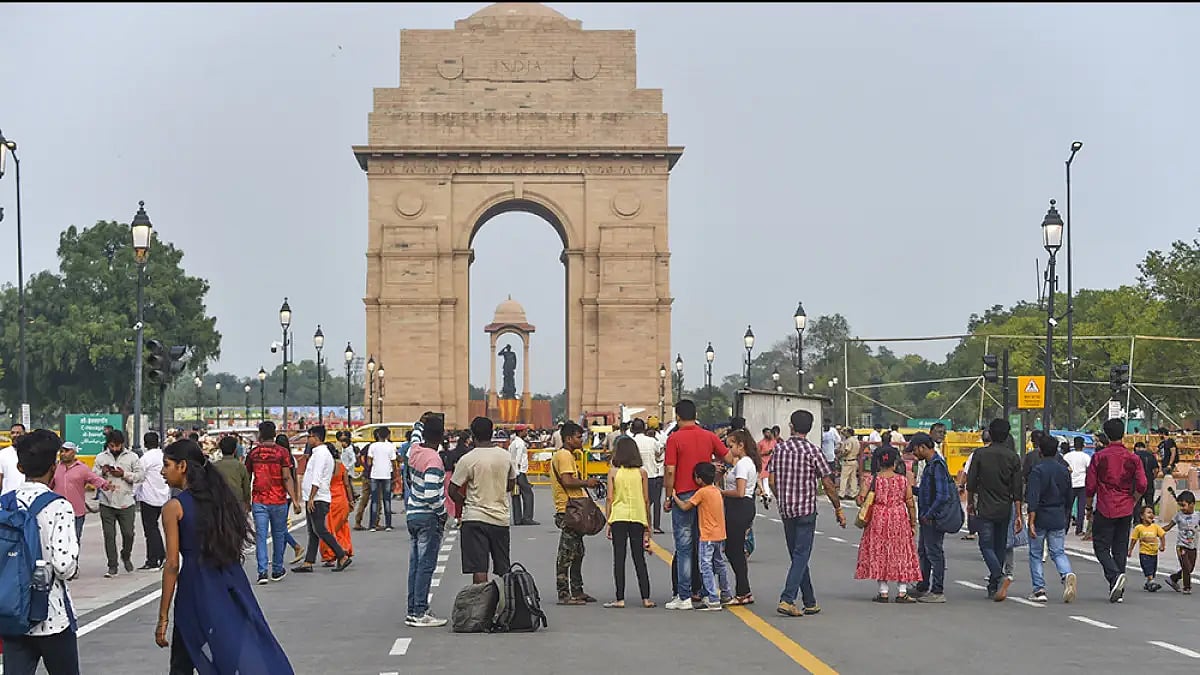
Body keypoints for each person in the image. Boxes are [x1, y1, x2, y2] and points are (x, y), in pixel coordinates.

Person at [154, 439, 294, 674]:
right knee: (234, 649)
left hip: (195, 586)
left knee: (183, 658)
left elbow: (172, 564)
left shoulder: (174, 507)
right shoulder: (222, 500)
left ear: (183, 466)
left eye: (166, 465)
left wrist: (162, 617)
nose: (162, 471)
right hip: (229, 582)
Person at [0, 430, 81, 675]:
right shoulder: (59, 506)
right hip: (51, 614)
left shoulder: (4, 503)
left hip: (12, 611)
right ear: (53, 466)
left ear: (20, 466)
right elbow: (64, 566)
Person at [769, 409, 846, 617]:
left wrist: (781, 497)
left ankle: (810, 601)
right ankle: (787, 599)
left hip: (787, 510)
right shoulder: (813, 451)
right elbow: (828, 484)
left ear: (791, 426)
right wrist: (838, 508)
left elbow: (772, 481)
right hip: (806, 510)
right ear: (810, 429)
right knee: (801, 555)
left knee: (797, 556)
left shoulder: (779, 449)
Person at [664, 400, 731, 611]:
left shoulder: (674, 438)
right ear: (696, 414)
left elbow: (670, 470)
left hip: (683, 494)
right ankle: (703, 591)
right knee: (703, 546)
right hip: (705, 493)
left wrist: (668, 496)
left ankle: (683, 595)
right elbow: (728, 457)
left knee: (684, 548)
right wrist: (717, 472)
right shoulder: (708, 436)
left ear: (677, 416)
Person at [1085, 418, 1147, 603]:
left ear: (1106, 434)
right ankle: (1117, 587)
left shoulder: (1099, 457)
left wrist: (1089, 506)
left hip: (1105, 505)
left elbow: (1090, 486)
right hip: (1126, 506)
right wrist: (1134, 499)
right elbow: (1143, 484)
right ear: (1123, 434)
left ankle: (1114, 577)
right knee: (1120, 548)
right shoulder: (1133, 458)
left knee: (1101, 546)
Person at [449, 417, 517, 584]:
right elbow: (511, 485)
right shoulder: (505, 456)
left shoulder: (468, 459)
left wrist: (465, 502)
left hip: (474, 518)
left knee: (479, 569)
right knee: (503, 568)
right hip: (499, 518)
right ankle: (505, 603)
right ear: (492, 433)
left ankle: (482, 606)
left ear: (472, 435)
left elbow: (452, 490)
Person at [966, 418, 1023, 602]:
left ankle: (998, 576)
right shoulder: (1013, 457)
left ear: (990, 433)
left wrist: (970, 503)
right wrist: (1019, 514)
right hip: (1005, 507)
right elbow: (1017, 489)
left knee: (985, 545)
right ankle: (993, 585)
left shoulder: (980, 454)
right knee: (999, 546)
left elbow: (971, 482)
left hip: (985, 505)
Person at [854, 447, 921, 603]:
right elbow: (910, 503)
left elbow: (860, 499)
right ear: (895, 462)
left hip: (878, 518)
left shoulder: (871, 479)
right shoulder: (903, 480)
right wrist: (913, 523)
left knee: (881, 552)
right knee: (901, 552)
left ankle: (883, 591)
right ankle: (902, 591)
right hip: (899, 517)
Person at [404, 415, 448, 627]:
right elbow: (432, 494)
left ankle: (413, 609)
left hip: (412, 514)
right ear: (441, 437)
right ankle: (420, 611)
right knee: (426, 566)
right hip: (427, 516)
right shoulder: (434, 460)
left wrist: (419, 423)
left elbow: (415, 436)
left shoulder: (414, 451)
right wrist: (442, 512)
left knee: (415, 565)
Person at [245, 422, 302, 584]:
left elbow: (248, 476)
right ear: (275, 434)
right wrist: (295, 500)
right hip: (279, 499)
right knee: (278, 534)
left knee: (261, 536)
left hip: (259, 499)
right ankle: (277, 569)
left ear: (260, 435)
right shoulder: (282, 453)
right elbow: (286, 477)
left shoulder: (253, 453)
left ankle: (262, 571)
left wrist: (246, 499)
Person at [551, 421, 600, 605]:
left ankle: (577, 590)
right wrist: (587, 483)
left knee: (578, 551)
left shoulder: (567, 455)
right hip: (568, 509)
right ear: (569, 438)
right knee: (566, 553)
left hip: (573, 507)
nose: (582, 440)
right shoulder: (564, 456)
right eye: (579, 437)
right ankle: (564, 593)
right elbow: (567, 481)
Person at [292, 426, 351, 573]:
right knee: (313, 531)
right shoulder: (320, 453)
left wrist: (311, 497)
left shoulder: (320, 454)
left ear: (316, 437)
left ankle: (341, 554)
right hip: (316, 496)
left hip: (317, 497)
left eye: (309, 436)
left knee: (320, 529)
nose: (308, 439)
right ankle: (308, 561)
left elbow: (317, 477)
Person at [1025, 435, 1077, 604]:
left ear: (1040, 450)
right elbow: (1070, 496)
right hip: (1058, 514)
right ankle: (1066, 573)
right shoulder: (1063, 470)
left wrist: (1031, 520)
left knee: (1036, 553)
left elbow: (1033, 497)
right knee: (1058, 551)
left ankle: (1039, 589)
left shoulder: (1037, 470)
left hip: (1041, 515)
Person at [672, 462, 730, 611]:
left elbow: (685, 507)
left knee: (705, 566)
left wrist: (674, 497)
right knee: (720, 564)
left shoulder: (701, 492)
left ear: (698, 479)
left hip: (707, 535)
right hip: (720, 534)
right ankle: (726, 592)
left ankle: (712, 598)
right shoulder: (716, 491)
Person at [604, 436, 653, 609]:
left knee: (619, 557)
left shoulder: (613, 472)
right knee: (639, 557)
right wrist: (649, 525)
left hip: (618, 516)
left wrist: (608, 521)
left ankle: (620, 598)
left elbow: (610, 498)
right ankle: (646, 597)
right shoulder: (642, 473)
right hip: (638, 517)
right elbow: (646, 500)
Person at [94, 430, 145, 578]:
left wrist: (124, 474)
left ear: (122, 444)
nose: (115, 449)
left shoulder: (132, 457)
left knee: (128, 533)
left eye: (117, 446)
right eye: (112, 446)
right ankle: (112, 565)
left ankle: (126, 554)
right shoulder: (101, 457)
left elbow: (140, 476)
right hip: (106, 501)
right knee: (109, 535)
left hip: (126, 501)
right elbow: (92, 476)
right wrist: (102, 473)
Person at [910, 432, 954, 603]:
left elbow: (942, 495)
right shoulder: (930, 465)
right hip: (927, 516)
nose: (914, 454)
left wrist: (929, 514)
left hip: (933, 517)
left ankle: (937, 590)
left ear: (922, 447)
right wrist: (911, 489)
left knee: (934, 552)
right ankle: (922, 585)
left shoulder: (937, 465)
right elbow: (928, 491)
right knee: (924, 551)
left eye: (915, 450)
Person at [720, 428, 760, 605]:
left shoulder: (744, 464)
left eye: (731, 446)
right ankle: (744, 589)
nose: (729, 450)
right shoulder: (745, 463)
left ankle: (743, 591)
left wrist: (721, 492)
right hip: (741, 507)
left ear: (741, 445)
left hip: (739, 506)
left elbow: (740, 491)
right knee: (733, 549)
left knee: (734, 549)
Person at [50, 441, 111, 547]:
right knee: (57, 540)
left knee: (74, 540)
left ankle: (74, 563)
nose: (63, 453)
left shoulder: (82, 468)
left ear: (73, 452)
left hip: (76, 512)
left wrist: (106, 485)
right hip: (58, 511)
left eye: (67, 451)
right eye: (62, 451)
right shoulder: (55, 468)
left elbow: (94, 479)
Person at [135, 432, 170, 571]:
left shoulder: (145, 458)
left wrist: (133, 494)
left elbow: (139, 477)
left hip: (149, 498)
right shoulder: (163, 456)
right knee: (156, 528)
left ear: (145, 443)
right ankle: (159, 556)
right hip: (164, 496)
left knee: (150, 530)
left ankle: (154, 558)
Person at [319, 442, 355, 569]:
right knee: (342, 527)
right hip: (341, 499)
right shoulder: (341, 466)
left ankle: (330, 556)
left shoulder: (324, 466)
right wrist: (351, 500)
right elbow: (347, 485)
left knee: (328, 528)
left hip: (328, 499)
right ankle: (344, 549)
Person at [273, 433, 306, 563]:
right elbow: (295, 480)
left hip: (278, 494)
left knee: (279, 527)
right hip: (288, 495)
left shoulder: (278, 457)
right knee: (281, 526)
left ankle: (295, 547)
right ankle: (279, 555)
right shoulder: (292, 458)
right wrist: (295, 498)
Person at [631, 419, 665, 534]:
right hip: (652, 475)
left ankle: (639, 523)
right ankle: (655, 525)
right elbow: (659, 454)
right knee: (654, 501)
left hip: (636, 476)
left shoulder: (631, 441)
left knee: (638, 502)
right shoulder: (652, 441)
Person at [1163, 490, 1198, 594]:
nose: (1182, 508)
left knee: (1190, 568)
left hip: (1193, 546)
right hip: (1181, 546)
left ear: (1192, 504)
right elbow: (1169, 526)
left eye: (1183, 505)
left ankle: (1173, 578)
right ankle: (1187, 587)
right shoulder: (1179, 515)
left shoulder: (1198, 515)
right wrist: (1157, 531)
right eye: (1180, 506)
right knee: (1186, 566)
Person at [365, 427, 399, 532]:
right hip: (387, 474)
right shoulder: (390, 446)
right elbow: (394, 462)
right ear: (387, 436)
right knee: (387, 500)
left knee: (375, 500)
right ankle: (388, 524)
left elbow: (369, 462)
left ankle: (372, 525)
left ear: (378, 435)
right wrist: (395, 474)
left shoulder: (373, 446)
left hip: (375, 474)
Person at [1128, 505, 1165, 593]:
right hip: (1144, 553)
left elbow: (1162, 535)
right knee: (1147, 568)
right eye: (1148, 513)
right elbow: (1134, 540)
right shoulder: (1139, 528)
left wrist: (1163, 545)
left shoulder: (1155, 527)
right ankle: (1151, 582)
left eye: (1152, 513)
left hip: (1154, 553)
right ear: (1141, 516)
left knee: (1153, 569)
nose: (1151, 514)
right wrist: (1130, 550)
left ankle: (1149, 583)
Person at [213, 435, 251, 511]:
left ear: (220, 449)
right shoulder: (240, 466)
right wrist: (247, 502)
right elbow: (246, 487)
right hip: (238, 502)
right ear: (235, 449)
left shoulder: (214, 466)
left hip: (220, 503)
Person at [509, 427, 537, 526]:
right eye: (525, 431)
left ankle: (517, 518)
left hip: (514, 471)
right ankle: (527, 517)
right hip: (520, 472)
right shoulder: (520, 443)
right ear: (520, 432)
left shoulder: (513, 443)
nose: (526, 432)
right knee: (528, 494)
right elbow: (518, 459)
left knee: (515, 494)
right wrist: (517, 473)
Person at [1063, 437, 1090, 536]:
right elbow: (1089, 469)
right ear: (1083, 445)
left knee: (1068, 508)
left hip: (1070, 484)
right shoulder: (1086, 457)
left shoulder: (1067, 456)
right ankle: (1079, 530)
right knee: (1081, 508)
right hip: (1082, 484)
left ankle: (1065, 528)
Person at [1132, 441, 1160, 511]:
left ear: (1136, 448)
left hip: (1137, 483)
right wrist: (1153, 477)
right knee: (1149, 503)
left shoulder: (1134, 455)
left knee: (1137, 503)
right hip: (1149, 482)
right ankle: (1150, 519)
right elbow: (1156, 470)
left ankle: (1137, 520)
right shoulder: (1151, 455)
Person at [0, 422, 26, 494]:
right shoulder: (3, 454)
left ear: (24, 434)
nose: (15, 435)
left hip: (26, 496)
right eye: (13, 433)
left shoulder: (31, 453)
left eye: (18, 433)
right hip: (8, 497)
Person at [837, 427, 861, 500]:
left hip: (848, 461)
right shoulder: (856, 440)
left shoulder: (848, 441)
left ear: (848, 433)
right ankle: (853, 493)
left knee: (844, 478)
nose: (844, 433)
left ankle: (842, 493)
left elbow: (847, 451)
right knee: (853, 478)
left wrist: (840, 456)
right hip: (854, 460)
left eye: (845, 431)